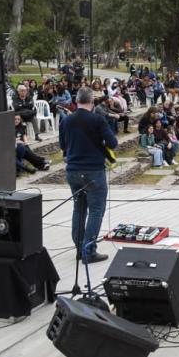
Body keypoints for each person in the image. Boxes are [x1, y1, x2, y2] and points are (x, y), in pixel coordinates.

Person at [59, 87, 118, 264]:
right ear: (92, 102)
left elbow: (63, 145)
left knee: (79, 209)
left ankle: (79, 248)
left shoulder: (66, 120)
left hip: (73, 171)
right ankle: (89, 250)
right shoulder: (97, 119)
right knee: (95, 211)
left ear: (76, 101)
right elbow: (112, 143)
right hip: (93, 171)